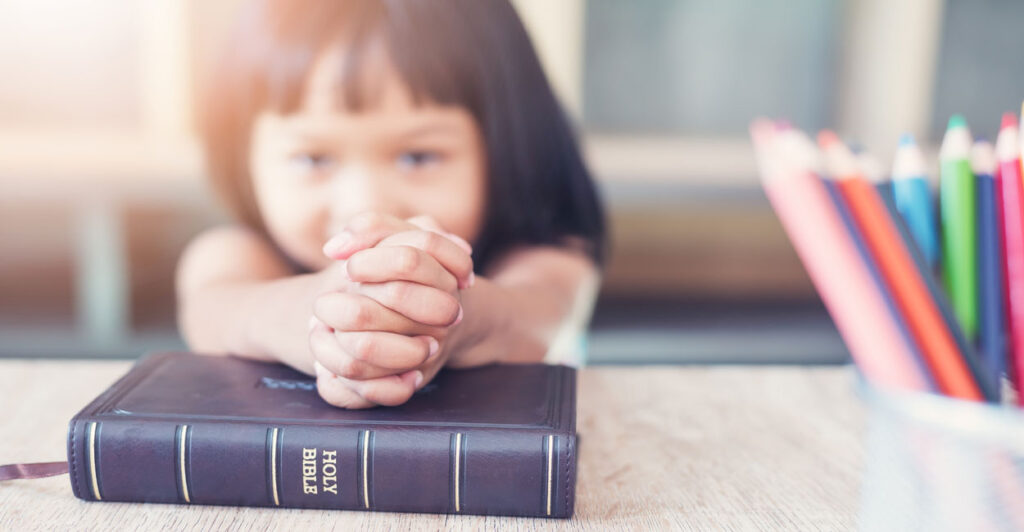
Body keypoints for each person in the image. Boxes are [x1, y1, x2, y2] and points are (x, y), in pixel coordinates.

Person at [176, 0, 605, 408]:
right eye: (312, 158)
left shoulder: (549, 254)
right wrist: (324, 312)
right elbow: (212, 311)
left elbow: (541, 317)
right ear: (243, 155)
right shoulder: (236, 252)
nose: (364, 205)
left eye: (417, 156)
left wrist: (446, 317)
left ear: (508, 145)